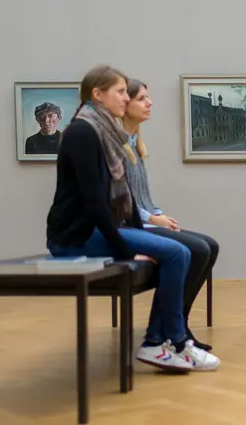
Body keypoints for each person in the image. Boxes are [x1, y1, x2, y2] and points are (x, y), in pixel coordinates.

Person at [45, 64, 220, 371]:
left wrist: (144, 236)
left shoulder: (103, 131)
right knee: (178, 251)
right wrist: (126, 250)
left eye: (128, 92)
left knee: (182, 250)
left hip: (98, 228)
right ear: (97, 95)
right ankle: (169, 342)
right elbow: (94, 202)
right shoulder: (82, 132)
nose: (126, 98)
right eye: (121, 91)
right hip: (75, 238)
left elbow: (120, 200)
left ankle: (161, 340)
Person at [121, 79, 220, 352]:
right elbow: (120, 200)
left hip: (144, 221)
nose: (149, 103)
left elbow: (143, 194)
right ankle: (166, 330)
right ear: (125, 104)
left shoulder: (134, 144)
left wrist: (159, 214)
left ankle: (180, 324)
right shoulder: (115, 146)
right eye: (142, 98)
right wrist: (152, 220)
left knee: (209, 245)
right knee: (197, 249)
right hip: (132, 226)